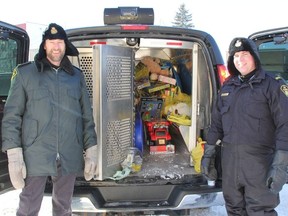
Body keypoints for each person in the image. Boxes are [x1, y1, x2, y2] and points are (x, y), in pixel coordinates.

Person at [1, 23, 98, 216]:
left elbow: (86, 115)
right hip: (35, 152)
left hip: (69, 152)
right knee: (28, 206)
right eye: (51, 42)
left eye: (60, 42)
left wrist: (92, 149)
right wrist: (14, 154)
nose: (56, 46)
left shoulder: (76, 77)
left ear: (65, 45)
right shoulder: (25, 73)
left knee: (63, 207)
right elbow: (12, 116)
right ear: (44, 45)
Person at [201, 37, 288, 215]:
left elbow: (285, 125)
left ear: (255, 56)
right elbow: (217, 123)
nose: (240, 60)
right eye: (236, 56)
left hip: (259, 163)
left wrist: (280, 165)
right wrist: (209, 154)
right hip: (230, 162)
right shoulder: (228, 87)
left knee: (260, 210)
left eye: (244, 54)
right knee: (234, 208)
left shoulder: (272, 85)